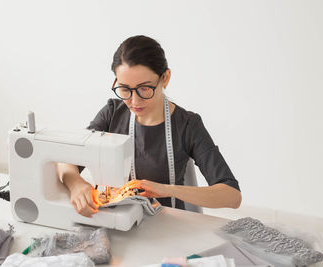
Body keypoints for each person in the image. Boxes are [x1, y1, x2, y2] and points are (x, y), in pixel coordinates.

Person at [58, 35, 241, 218]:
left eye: (145, 88)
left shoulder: (187, 125)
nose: (134, 101)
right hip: (119, 219)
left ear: (165, 78)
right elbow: (66, 160)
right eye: (125, 89)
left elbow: (231, 196)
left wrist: (168, 190)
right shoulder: (112, 113)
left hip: (169, 223)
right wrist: (76, 184)